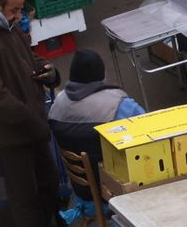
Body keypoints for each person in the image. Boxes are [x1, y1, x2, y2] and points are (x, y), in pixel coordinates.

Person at [0, 0, 71, 227]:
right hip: (11, 134)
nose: (19, 16)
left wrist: (48, 72)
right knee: (24, 192)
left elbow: (28, 57)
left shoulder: (8, 27)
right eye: (14, 10)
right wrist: (28, 118)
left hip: (32, 124)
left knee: (47, 179)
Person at [48, 49, 145, 199]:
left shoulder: (57, 104)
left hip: (82, 187)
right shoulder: (118, 105)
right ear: (101, 73)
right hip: (116, 187)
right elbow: (150, 128)